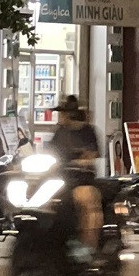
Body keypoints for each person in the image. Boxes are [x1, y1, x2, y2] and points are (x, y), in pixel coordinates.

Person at [49, 96, 102, 265]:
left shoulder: (88, 132)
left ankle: (88, 247)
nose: (60, 117)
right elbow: (50, 152)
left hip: (81, 180)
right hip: (60, 180)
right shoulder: (59, 133)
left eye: (62, 113)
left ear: (70, 114)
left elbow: (92, 154)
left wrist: (80, 162)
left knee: (86, 200)